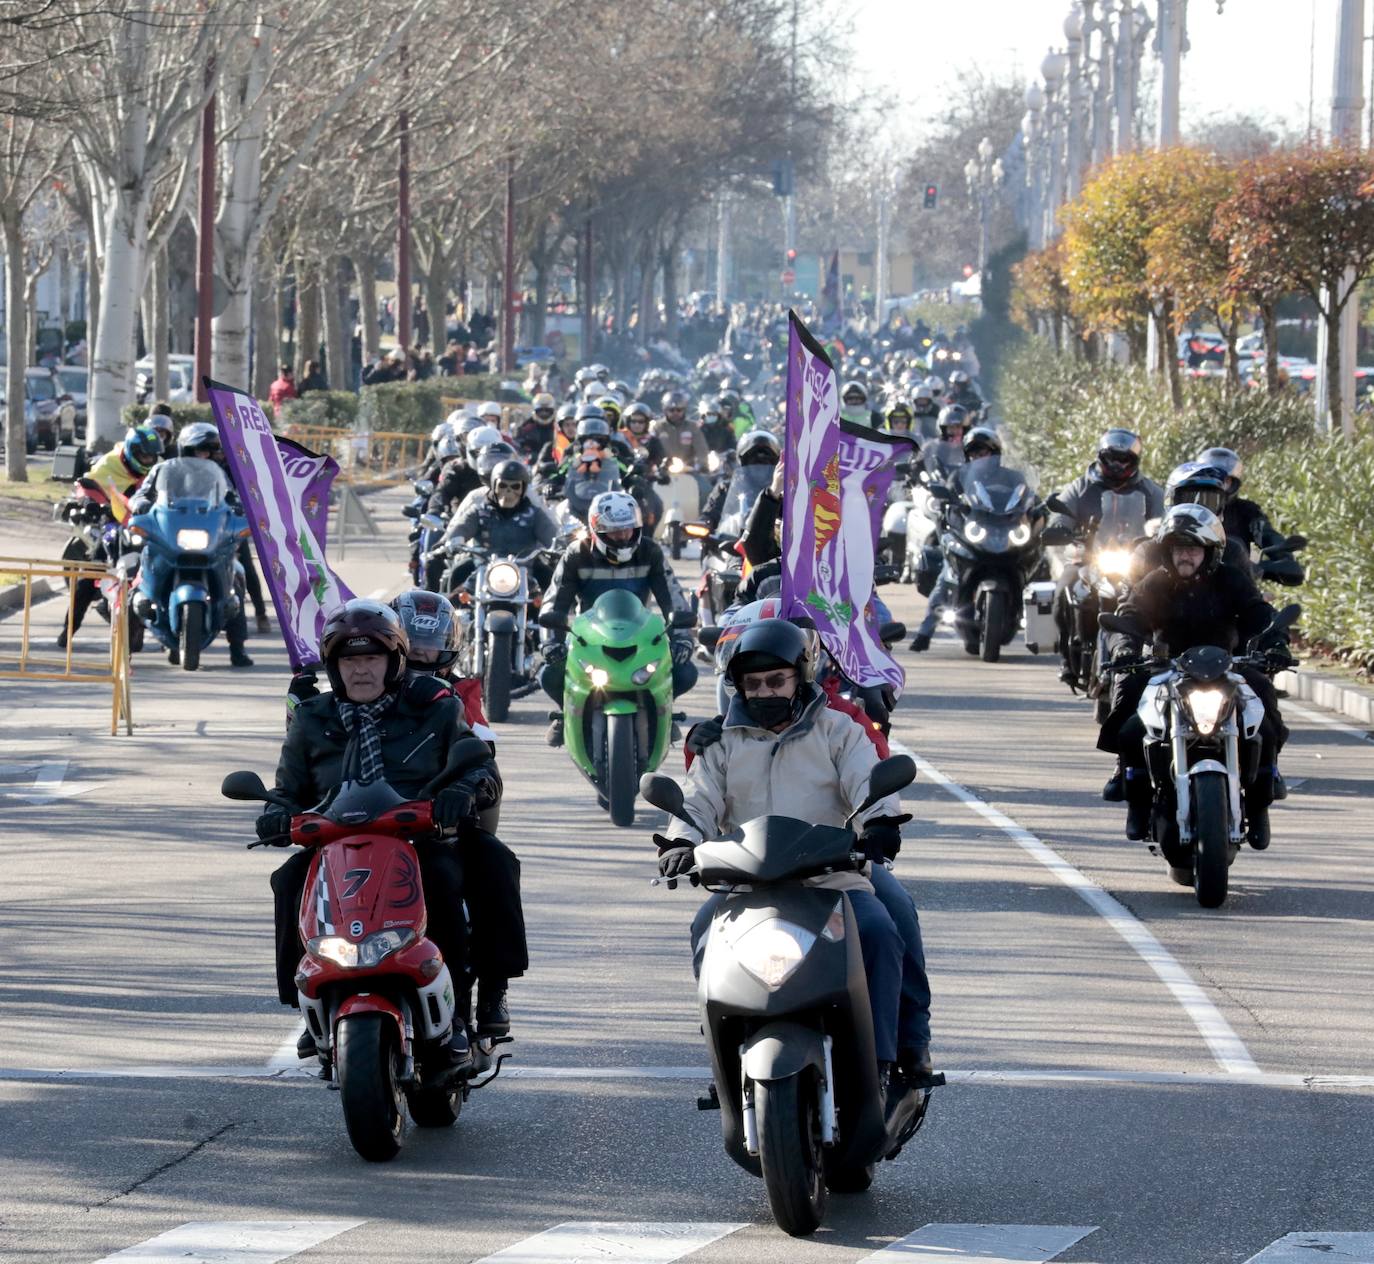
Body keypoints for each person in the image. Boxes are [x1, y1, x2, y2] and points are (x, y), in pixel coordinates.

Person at [658, 619, 933, 1105]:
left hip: (833, 877)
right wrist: (680, 840)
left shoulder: (839, 729)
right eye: (753, 683)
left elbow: (868, 783)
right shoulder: (719, 741)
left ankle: (884, 1063)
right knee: (703, 932)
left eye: (776, 680)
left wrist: (880, 823)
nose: (764, 692)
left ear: (801, 676)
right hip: (748, 886)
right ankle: (725, 1060)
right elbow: (697, 801)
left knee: (881, 932)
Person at [263, 600, 510, 1060]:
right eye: (349, 660)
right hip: (337, 845)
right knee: (289, 880)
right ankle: (307, 1004)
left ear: (394, 661)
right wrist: (275, 814)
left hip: (422, 841)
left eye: (372, 658)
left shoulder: (436, 706)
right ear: (335, 668)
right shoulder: (312, 719)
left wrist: (464, 792)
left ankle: (468, 1005)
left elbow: (480, 768)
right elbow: (287, 790)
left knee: (469, 868)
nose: (361, 671)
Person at [1097, 505, 1290, 848]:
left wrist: (1274, 644)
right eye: (1178, 549)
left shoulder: (1231, 579)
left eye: (1193, 549)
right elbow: (1129, 616)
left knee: (1265, 714)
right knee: (1129, 722)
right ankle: (1136, 800)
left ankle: (1261, 801)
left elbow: (1258, 614)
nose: (1185, 556)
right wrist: (1125, 648)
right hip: (1167, 668)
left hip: (1227, 666)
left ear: (1210, 552)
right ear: (1168, 552)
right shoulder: (1156, 582)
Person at [540, 491, 696, 746]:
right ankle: (565, 713)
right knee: (549, 675)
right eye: (614, 532)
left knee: (685, 672)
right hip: (589, 638)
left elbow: (673, 596)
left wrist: (682, 638)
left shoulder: (651, 551)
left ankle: (663, 713)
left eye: (628, 530)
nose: (623, 537)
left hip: (640, 634)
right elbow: (554, 602)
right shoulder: (575, 554)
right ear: (596, 530)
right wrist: (551, 642)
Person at [128, 421, 254, 668]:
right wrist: (141, 503)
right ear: (186, 449)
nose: (206, 455)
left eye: (210, 450)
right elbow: (143, 493)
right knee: (134, 581)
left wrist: (240, 508)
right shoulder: (163, 469)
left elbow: (232, 497)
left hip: (209, 538)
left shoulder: (219, 477)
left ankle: (237, 648)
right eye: (201, 450)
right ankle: (125, 649)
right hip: (170, 534)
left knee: (238, 578)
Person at [1048, 429, 1165, 687]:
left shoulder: (1150, 491)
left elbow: (1164, 519)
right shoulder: (1081, 486)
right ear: (1101, 456)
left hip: (1132, 562)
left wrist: (1160, 532)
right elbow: (1061, 513)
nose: (1117, 465)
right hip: (1087, 558)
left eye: (1124, 460)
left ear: (1135, 462)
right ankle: (1067, 658)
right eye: (1112, 458)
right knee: (1062, 592)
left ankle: (1151, 657)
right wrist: (1062, 527)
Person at [58, 424, 161, 648]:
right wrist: (91, 504)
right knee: (90, 573)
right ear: (132, 451)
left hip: (143, 528)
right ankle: (69, 628)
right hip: (112, 527)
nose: (148, 460)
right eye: (143, 455)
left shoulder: (156, 471)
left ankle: (162, 631)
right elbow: (87, 486)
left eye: (151, 456)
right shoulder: (109, 464)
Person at [443, 458, 556, 595]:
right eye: (502, 486)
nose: (508, 492)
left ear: (524, 488)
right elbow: (462, 526)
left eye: (515, 487)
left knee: (553, 586)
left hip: (525, 574)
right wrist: (454, 540)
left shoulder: (534, 514)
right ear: (493, 485)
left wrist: (560, 546)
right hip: (481, 571)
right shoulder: (479, 511)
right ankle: (446, 614)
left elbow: (551, 534)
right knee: (456, 575)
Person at [1196, 446, 1305, 586]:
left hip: (1238, 591)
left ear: (1233, 483)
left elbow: (1268, 537)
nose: (1217, 485)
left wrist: (1262, 566)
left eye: (1224, 480)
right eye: (1211, 478)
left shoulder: (1248, 511)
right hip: (1191, 590)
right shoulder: (1186, 509)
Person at [700, 429, 779, 533]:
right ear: (743, 462)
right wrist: (706, 523)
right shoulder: (727, 488)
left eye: (765, 462)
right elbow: (710, 515)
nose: (760, 467)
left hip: (771, 545)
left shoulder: (781, 491)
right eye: (754, 462)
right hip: (730, 543)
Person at [514, 392, 557, 460]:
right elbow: (518, 448)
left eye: (547, 410)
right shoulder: (524, 428)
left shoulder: (559, 427)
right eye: (541, 410)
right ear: (535, 410)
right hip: (531, 464)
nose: (544, 413)